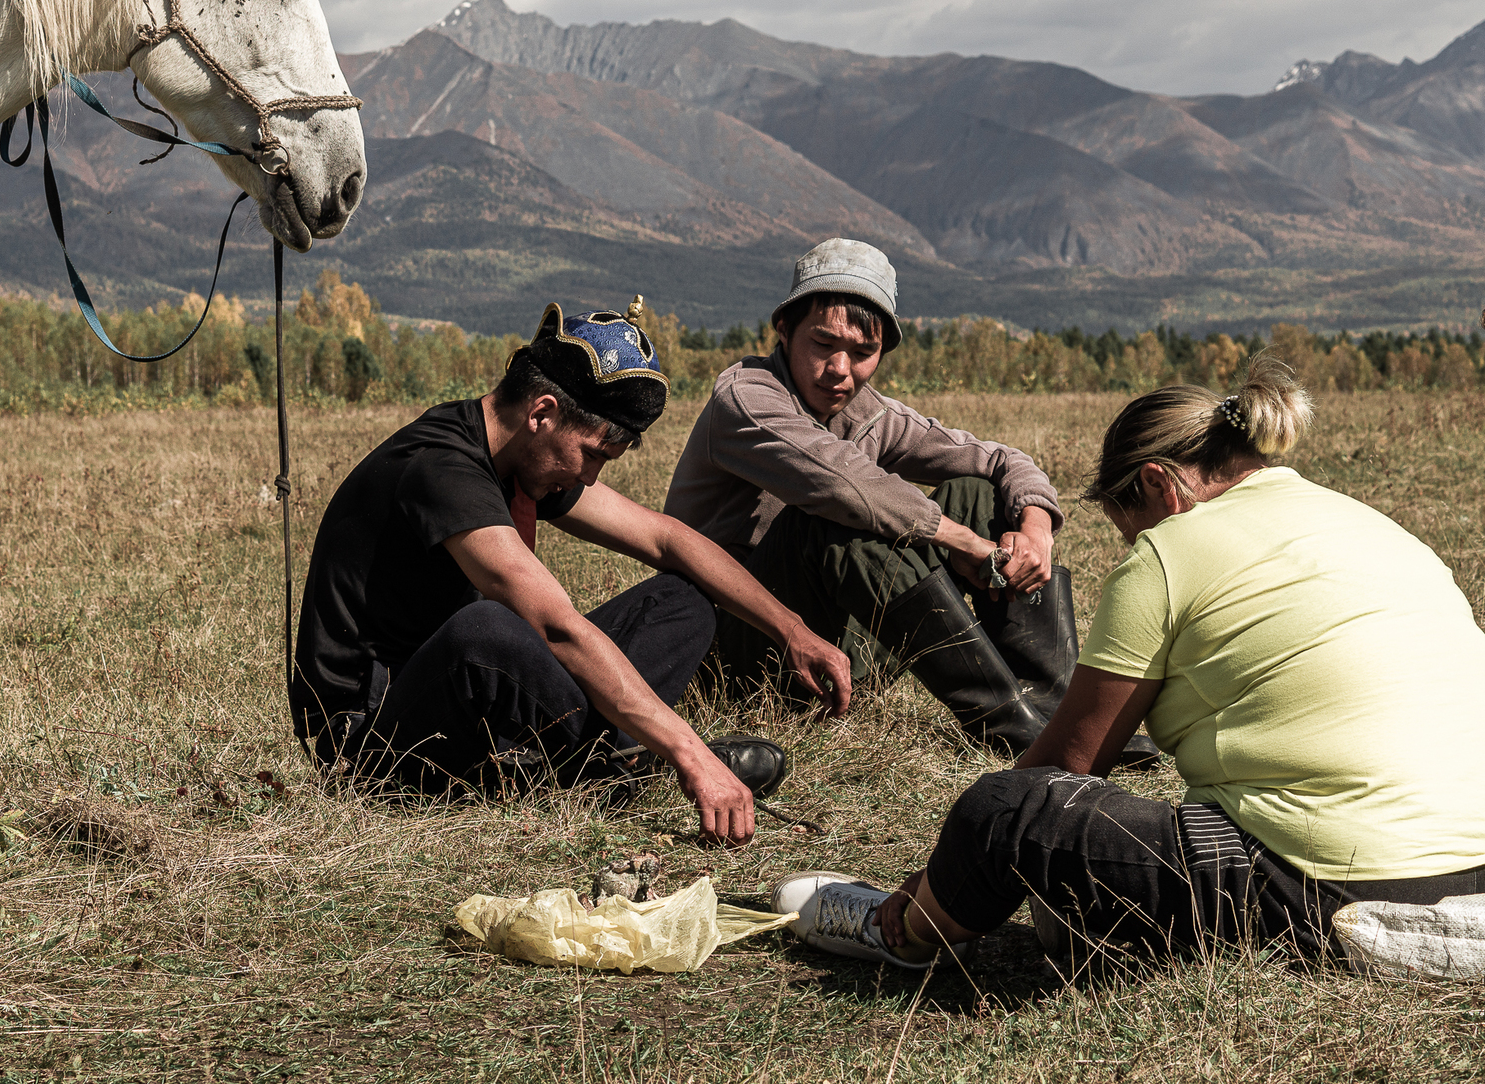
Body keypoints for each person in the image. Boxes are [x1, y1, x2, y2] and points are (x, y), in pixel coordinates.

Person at [775, 355, 1485, 969]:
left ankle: (901, 929)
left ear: (1157, 485)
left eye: (1128, 531)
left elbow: (1069, 766)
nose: (1132, 548)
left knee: (1002, 811)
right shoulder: (1377, 527)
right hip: (1473, 876)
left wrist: (943, 870)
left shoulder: (1170, 551)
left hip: (1330, 887)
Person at [291, 300, 855, 844]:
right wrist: (688, 751)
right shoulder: (441, 468)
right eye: (591, 455)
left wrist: (791, 630)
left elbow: (667, 539)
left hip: (470, 710)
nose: (588, 479)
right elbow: (554, 626)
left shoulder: (521, 454)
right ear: (542, 413)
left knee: (682, 600)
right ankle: (623, 758)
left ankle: (600, 757)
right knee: (488, 629)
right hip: (371, 745)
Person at [665, 238, 1146, 760]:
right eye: (823, 344)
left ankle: (1056, 711)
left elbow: (1001, 460)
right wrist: (964, 543)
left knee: (977, 491)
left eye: (863, 353)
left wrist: (1035, 530)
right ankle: (1004, 724)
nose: (840, 369)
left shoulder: (871, 414)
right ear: (784, 331)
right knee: (833, 519)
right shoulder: (746, 399)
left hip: (842, 644)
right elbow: (843, 483)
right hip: (740, 648)